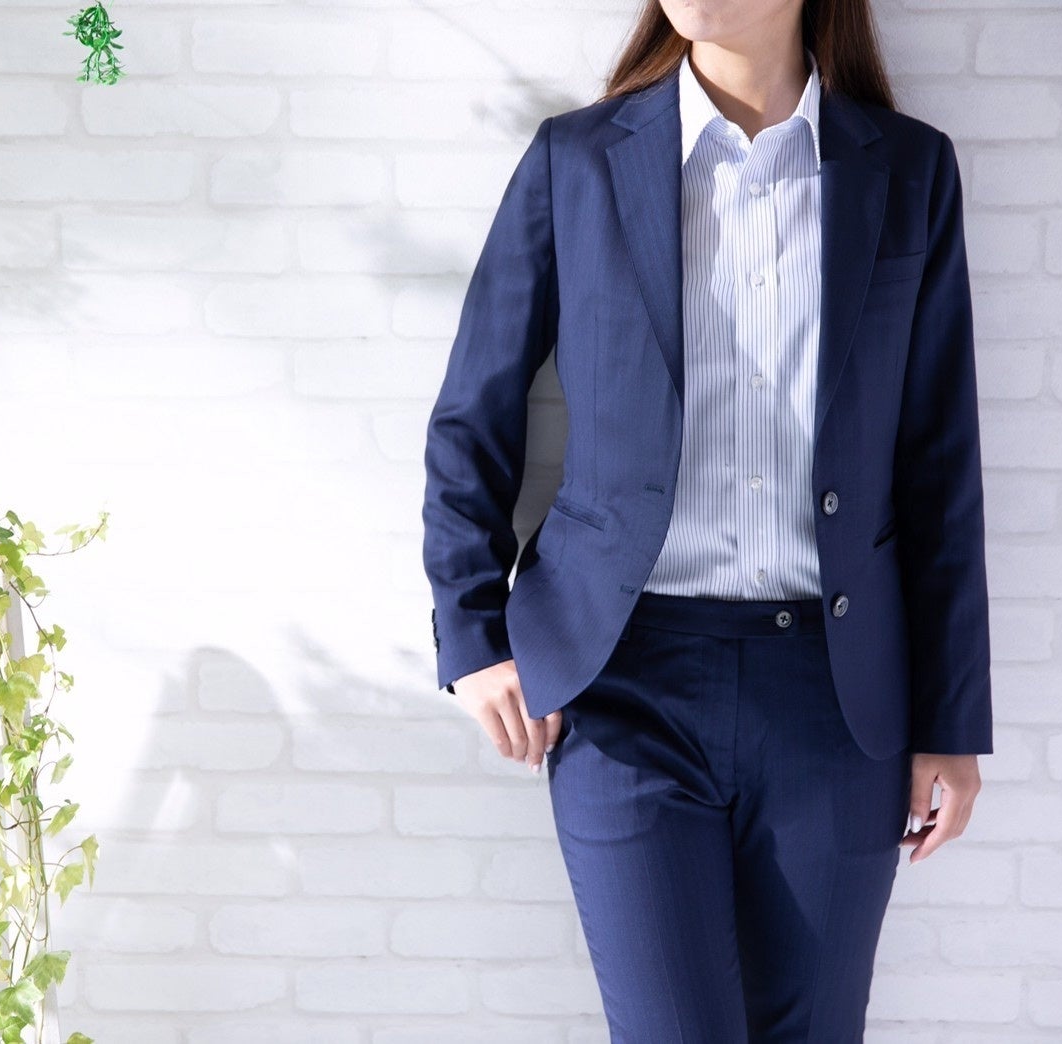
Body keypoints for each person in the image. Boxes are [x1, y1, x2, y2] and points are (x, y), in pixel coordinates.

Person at [422, 0, 992, 1040]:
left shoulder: (908, 170)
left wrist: (949, 724)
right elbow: (475, 412)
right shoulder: (576, 161)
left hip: (836, 699)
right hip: (623, 688)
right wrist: (472, 637)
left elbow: (938, 464)